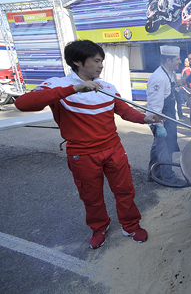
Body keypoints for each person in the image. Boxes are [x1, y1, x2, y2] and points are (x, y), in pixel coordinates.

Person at [14, 40, 158, 249]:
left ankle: (131, 225)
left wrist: (145, 118)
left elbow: (124, 111)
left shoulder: (107, 87)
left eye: (102, 61)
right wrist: (74, 89)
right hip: (82, 154)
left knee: (125, 190)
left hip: (113, 149)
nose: (101, 66)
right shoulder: (58, 85)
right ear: (77, 62)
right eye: (97, 61)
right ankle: (99, 227)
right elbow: (22, 104)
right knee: (91, 196)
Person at [146, 45, 182, 184]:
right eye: (177, 59)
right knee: (165, 148)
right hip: (161, 119)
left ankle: (152, 173)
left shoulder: (169, 73)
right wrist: (159, 125)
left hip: (168, 116)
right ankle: (168, 178)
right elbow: (155, 106)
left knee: (158, 147)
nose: (179, 61)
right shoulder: (159, 78)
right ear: (168, 60)